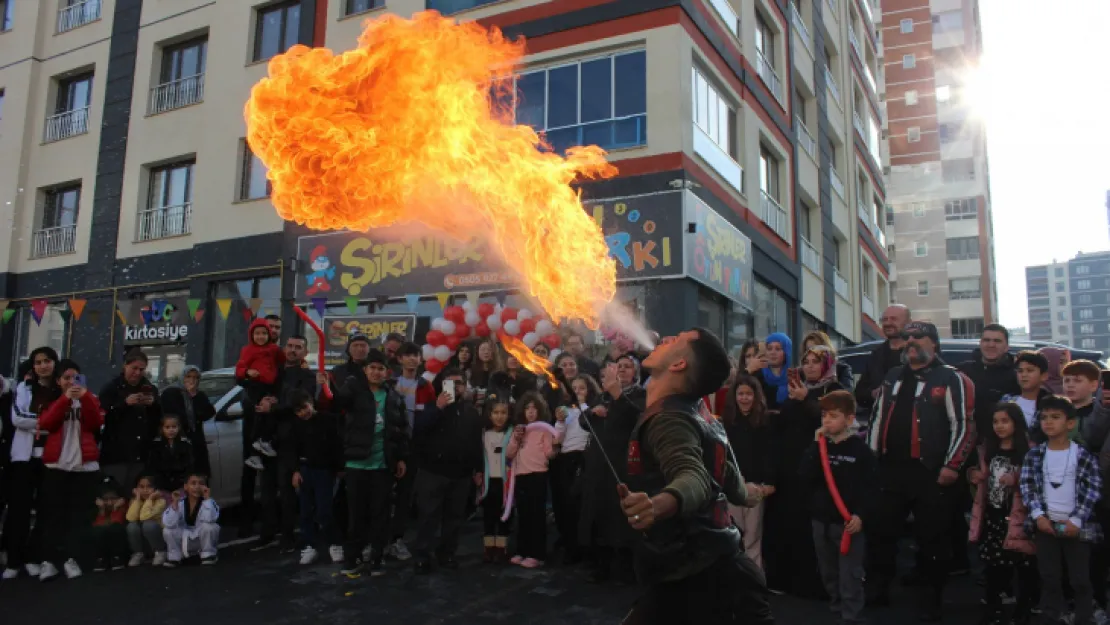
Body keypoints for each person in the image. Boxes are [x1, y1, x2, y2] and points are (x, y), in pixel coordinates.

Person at [617, 327, 773, 625]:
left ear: (678, 365)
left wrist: (658, 504)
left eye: (675, 340)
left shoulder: (669, 421)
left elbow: (694, 476)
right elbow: (731, 482)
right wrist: (749, 492)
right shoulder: (701, 412)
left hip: (699, 576)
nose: (665, 339)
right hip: (718, 567)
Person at [864, 322, 976, 621]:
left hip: (931, 472)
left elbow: (963, 426)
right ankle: (877, 591)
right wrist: (871, 458)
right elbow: (876, 419)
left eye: (918, 337)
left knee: (932, 538)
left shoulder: (951, 378)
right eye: (907, 337)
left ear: (934, 344)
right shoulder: (892, 376)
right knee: (881, 534)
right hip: (890, 470)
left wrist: (952, 466)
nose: (910, 341)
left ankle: (931, 600)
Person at [764, 344, 842, 598]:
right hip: (790, 468)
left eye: (815, 362)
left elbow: (832, 424)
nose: (809, 366)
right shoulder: (797, 389)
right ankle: (788, 579)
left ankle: (818, 583)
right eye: (806, 361)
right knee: (789, 523)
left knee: (815, 528)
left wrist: (805, 400)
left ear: (826, 365)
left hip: (820, 470)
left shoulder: (835, 390)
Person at [1021, 395, 1103, 625]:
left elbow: (1093, 489)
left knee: (1080, 579)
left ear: (1070, 423)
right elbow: (1028, 487)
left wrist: (1077, 520)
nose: (1048, 422)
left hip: (1076, 528)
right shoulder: (1035, 455)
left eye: (1055, 417)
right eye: (1044, 417)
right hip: (1045, 525)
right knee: (1049, 577)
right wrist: (1038, 516)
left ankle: (1084, 617)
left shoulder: (1082, 455)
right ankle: (1051, 615)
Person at [800, 390, 876, 625]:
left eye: (833, 416)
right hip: (821, 520)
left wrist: (861, 515)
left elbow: (872, 488)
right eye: (824, 416)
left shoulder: (861, 451)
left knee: (850, 574)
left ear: (850, 419)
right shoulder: (819, 448)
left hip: (847, 522)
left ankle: (852, 614)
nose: (827, 421)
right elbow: (804, 476)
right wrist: (815, 446)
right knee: (828, 570)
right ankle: (836, 605)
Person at [335, 350, 409, 576]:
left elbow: (401, 430)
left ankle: (376, 558)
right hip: (357, 465)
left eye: (380, 369)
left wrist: (401, 458)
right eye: (372, 368)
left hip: (383, 466)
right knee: (356, 515)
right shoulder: (354, 392)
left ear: (387, 372)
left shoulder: (394, 396)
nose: (376, 372)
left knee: (381, 514)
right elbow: (335, 404)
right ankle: (352, 558)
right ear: (365, 370)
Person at [968, 403, 1036, 625]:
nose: (999, 426)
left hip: (1017, 516)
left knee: (1023, 564)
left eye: (1005, 421)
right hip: (993, 514)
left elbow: (1036, 481)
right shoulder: (986, 448)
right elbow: (979, 478)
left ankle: (1024, 608)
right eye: (996, 421)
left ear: (1016, 423)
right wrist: (973, 475)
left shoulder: (1029, 450)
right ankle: (993, 607)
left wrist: (1016, 479)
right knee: (994, 565)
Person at [37, 359, 104, 580]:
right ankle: (50, 560)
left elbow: (95, 423)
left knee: (79, 517)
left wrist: (83, 397)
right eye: (66, 378)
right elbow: (47, 424)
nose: (70, 382)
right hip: (56, 465)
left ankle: (73, 559)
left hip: (84, 467)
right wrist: (65, 400)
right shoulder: (51, 400)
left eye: (75, 377)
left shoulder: (90, 399)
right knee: (54, 515)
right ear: (58, 381)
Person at [411, 367, 483, 573]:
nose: (456, 387)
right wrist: (438, 408)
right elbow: (419, 429)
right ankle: (422, 556)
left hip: (461, 474)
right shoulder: (430, 406)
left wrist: (477, 468)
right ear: (442, 385)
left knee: (454, 518)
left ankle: (447, 554)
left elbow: (475, 442)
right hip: (432, 472)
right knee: (428, 517)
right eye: (450, 383)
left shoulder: (470, 411)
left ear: (465, 386)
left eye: (459, 383)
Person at [580, 358, 643, 583]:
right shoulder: (602, 396)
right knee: (600, 514)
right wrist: (592, 412)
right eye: (619, 366)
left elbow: (635, 417)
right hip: (599, 467)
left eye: (627, 366)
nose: (622, 369)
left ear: (635, 372)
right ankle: (601, 564)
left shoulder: (639, 395)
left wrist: (618, 394)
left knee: (622, 518)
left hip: (623, 466)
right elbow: (583, 420)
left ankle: (625, 568)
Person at [4, 347, 62, 580]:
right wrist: (48, 421)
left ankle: (33, 557)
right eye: (38, 362)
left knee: (46, 511)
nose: (43, 366)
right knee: (19, 510)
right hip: (24, 458)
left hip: (51, 457)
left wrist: (44, 422)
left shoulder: (61, 390)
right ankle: (13, 561)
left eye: (47, 361)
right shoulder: (24, 387)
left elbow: (66, 418)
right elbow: (17, 417)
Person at [721, 374, 775, 570]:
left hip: (757, 486)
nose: (744, 398)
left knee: (753, 535)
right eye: (740, 394)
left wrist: (768, 482)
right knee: (734, 532)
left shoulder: (765, 422)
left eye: (749, 394)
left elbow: (770, 454)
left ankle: (755, 579)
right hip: (733, 484)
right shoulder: (727, 422)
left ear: (756, 396)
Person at [285, 389, 344, 566]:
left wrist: (339, 467)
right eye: (298, 411)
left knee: (324, 510)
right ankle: (309, 545)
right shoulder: (295, 425)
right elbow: (291, 449)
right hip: (305, 470)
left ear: (311, 402)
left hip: (324, 470)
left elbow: (337, 445)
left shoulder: (328, 420)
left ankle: (334, 543)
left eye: (304, 408)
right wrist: (295, 470)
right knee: (305, 511)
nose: (303, 413)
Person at [388, 342, 435, 562]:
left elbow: (430, 419)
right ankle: (376, 541)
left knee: (405, 497)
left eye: (416, 355)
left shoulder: (426, 386)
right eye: (407, 355)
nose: (412, 359)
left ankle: (396, 540)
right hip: (388, 446)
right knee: (381, 496)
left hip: (413, 449)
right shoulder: (389, 382)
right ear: (399, 359)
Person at [506, 391, 560, 568]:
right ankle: (522, 550)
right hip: (521, 475)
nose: (530, 412)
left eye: (534, 408)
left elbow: (549, 453)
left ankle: (536, 554)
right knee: (523, 515)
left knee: (536, 515)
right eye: (527, 408)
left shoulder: (543, 430)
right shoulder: (518, 429)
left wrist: (557, 446)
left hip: (538, 475)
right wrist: (516, 437)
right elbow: (509, 453)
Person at [551, 373, 598, 564]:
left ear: (589, 391)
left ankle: (584, 546)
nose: (578, 391)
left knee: (581, 503)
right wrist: (560, 421)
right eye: (575, 388)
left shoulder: (591, 410)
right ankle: (570, 545)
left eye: (582, 388)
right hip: (567, 457)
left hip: (584, 457)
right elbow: (557, 439)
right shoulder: (566, 412)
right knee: (567, 503)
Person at [99, 350, 161, 492]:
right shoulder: (112, 388)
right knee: (116, 497)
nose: (138, 373)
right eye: (134, 368)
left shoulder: (150, 388)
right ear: (125, 366)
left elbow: (160, 420)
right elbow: (102, 416)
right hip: (116, 455)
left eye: (141, 369)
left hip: (142, 455)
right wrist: (124, 404)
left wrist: (153, 405)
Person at [958, 324, 1021, 442]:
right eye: (986, 340)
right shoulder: (963, 371)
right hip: (966, 443)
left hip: (1002, 444)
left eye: (997, 341)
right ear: (980, 343)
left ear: (1007, 347)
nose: (991, 345)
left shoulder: (1017, 375)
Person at [239, 317, 284, 468]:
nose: (260, 336)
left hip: (269, 387)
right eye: (257, 333)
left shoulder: (274, 349)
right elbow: (239, 370)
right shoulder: (247, 350)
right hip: (255, 385)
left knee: (268, 414)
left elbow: (284, 361)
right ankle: (255, 452)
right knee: (258, 415)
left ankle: (263, 442)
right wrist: (247, 372)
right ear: (251, 335)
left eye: (264, 333)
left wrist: (302, 360)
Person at [854, 304, 911, 417]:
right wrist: (873, 394)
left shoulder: (917, 353)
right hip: (880, 423)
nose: (888, 323)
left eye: (893, 319)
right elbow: (860, 393)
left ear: (908, 322)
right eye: (885, 319)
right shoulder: (876, 354)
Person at [159, 365, 215, 476]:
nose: (191, 380)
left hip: (196, 442)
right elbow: (174, 416)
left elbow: (209, 413)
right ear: (182, 377)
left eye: (195, 377)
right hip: (177, 440)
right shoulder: (171, 393)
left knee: (198, 475)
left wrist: (193, 397)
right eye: (188, 376)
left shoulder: (199, 395)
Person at [477, 392, 514, 563]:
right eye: (496, 413)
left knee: (505, 515)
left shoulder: (513, 433)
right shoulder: (484, 434)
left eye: (503, 413)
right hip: (489, 480)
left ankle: (501, 547)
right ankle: (488, 547)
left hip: (505, 482)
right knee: (489, 515)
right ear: (489, 414)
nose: (500, 417)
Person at [162, 472, 220, 567]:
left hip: (201, 539)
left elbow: (210, 518)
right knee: (168, 530)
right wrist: (175, 503)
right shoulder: (180, 503)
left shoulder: (210, 502)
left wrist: (207, 498)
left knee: (210, 526)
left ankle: (208, 554)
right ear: (185, 487)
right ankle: (174, 557)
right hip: (184, 539)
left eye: (201, 483)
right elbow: (169, 523)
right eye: (193, 483)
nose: (197, 487)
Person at [1003, 351, 1052, 432]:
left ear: (1044, 376)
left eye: (1030, 370)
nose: (1024, 375)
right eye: (1020, 371)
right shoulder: (1006, 400)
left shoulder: (1051, 404)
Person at [145, 415, 195, 493]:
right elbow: (153, 465)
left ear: (179, 427)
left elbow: (189, 464)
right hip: (162, 483)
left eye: (174, 427)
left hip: (180, 483)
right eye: (167, 427)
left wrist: (186, 480)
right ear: (162, 428)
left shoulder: (185, 443)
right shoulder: (156, 444)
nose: (171, 430)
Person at [125, 475, 167, 567]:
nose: (145, 490)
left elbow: (145, 517)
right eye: (141, 487)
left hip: (158, 540)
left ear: (156, 489)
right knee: (131, 526)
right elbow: (130, 518)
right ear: (136, 489)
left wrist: (150, 499)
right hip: (145, 544)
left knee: (148, 525)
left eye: (149, 486)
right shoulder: (135, 501)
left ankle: (161, 552)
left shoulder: (160, 501)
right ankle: (138, 554)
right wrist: (137, 499)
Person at [90, 479, 129, 572]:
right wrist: (102, 511)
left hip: (121, 546)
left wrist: (115, 509)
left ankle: (117, 558)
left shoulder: (123, 506)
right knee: (98, 530)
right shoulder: (97, 509)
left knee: (115, 528)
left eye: (113, 498)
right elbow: (98, 526)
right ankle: (101, 559)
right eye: (106, 499)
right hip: (104, 548)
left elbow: (117, 522)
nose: (110, 503)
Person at [758, 333, 792, 413]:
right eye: (769, 349)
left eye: (778, 349)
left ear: (786, 352)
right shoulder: (758, 375)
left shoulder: (793, 376)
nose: (773, 352)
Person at [469, 337, 505, 412]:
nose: (486, 352)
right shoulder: (470, 372)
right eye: (483, 349)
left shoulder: (499, 372)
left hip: (494, 409)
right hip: (474, 409)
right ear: (477, 352)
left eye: (489, 349)